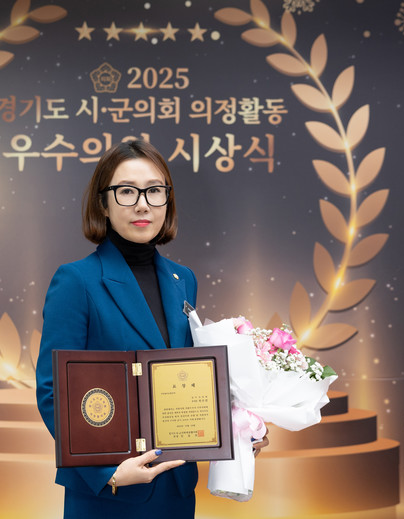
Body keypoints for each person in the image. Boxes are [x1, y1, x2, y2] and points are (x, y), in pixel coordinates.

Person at [35, 140, 268, 518]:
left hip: (176, 487)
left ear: (167, 201)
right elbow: (53, 392)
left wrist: (240, 427)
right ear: (102, 204)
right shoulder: (76, 281)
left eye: (154, 191)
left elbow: (185, 379)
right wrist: (107, 474)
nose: (142, 204)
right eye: (127, 191)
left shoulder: (183, 279)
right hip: (112, 495)